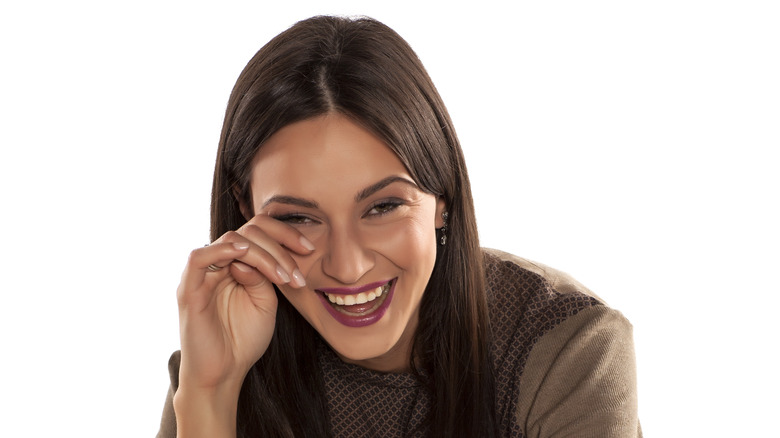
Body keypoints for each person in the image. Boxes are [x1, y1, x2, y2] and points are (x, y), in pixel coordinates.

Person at [156, 15, 641, 438]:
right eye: (298, 218)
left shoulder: (565, 350)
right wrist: (209, 393)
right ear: (246, 213)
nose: (347, 267)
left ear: (442, 199)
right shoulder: (221, 353)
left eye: (383, 207)